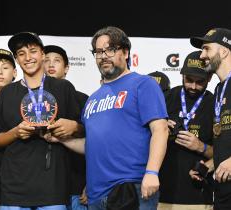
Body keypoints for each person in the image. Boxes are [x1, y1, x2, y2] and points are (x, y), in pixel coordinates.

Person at [44, 26, 169, 210]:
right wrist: (62, 140)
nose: (103, 56)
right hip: (96, 195)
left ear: (125, 52)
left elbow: (160, 130)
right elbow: (91, 145)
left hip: (131, 187)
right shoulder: (92, 99)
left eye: (110, 49)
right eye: (98, 51)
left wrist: (152, 172)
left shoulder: (143, 84)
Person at [0, 32, 83, 210]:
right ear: (17, 60)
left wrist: (73, 126)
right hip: (14, 190)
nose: (28, 57)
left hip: (53, 188)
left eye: (32, 51)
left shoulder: (63, 88)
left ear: (42, 54)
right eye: (21, 53)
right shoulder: (7, 93)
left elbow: (84, 130)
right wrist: (15, 132)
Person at [158, 50, 214, 210]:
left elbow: (224, 155)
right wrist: (158, 131)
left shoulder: (215, 104)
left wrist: (200, 147)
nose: (193, 86)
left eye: (200, 81)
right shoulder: (165, 99)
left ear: (209, 78)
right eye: (189, 80)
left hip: (200, 198)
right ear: (182, 74)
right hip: (162, 194)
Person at [190, 27, 231, 210]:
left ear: (224, 51)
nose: (201, 55)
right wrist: (209, 166)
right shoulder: (218, 89)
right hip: (223, 192)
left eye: (207, 48)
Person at [44, 45, 88, 209]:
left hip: (77, 186)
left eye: (56, 60)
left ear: (66, 68)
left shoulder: (83, 99)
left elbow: (95, 143)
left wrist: (90, 182)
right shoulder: (30, 102)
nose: (50, 65)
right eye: (46, 60)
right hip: (44, 189)